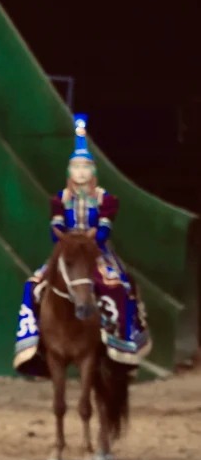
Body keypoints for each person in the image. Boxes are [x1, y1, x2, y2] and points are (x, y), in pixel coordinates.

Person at [14, 114, 149, 372]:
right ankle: (37, 345)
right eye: (76, 168)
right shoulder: (60, 199)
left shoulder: (106, 199)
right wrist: (68, 239)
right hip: (66, 253)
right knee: (33, 286)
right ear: (69, 172)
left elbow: (103, 233)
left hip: (96, 252)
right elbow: (55, 231)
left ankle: (118, 346)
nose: (81, 173)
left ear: (93, 172)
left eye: (86, 168)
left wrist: (87, 241)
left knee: (119, 286)